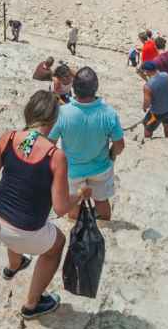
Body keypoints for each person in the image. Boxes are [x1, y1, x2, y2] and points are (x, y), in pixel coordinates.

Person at [0, 91, 93, 319]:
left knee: (16, 221)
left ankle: (13, 266)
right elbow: (60, 208)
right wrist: (79, 194)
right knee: (56, 244)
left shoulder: (9, 137)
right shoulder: (55, 155)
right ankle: (32, 304)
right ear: (53, 120)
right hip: (23, 229)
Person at [47, 68, 124, 221]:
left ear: (74, 88)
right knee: (102, 202)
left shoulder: (62, 113)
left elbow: (50, 144)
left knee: (73, 205)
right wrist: (111, 155)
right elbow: (119, 145)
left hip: (72, 170)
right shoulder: (109, 113)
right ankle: (104, 229)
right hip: (101, 167)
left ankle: (74, 226)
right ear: (96, 87)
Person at [141, 63, 168, 140]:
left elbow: (147, 103)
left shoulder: (148, 86)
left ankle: (147, 142)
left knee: (147, 127)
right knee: (167, 125)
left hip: (156, 112)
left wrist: (144, 107)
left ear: (147, 71)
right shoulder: (165, 75)